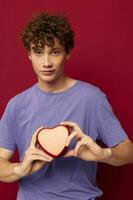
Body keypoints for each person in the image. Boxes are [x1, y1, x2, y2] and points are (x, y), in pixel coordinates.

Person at [0, 12, 133, 200]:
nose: (46, 62)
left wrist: (104, 154)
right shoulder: (16, 105)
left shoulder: (92, 98)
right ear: (29, 55)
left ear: (67, 53)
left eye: (54, 52)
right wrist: (20, 168)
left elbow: (128, 152)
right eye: (38, 52)